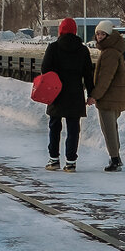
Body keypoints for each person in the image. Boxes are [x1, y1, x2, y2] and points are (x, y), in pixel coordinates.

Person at [41, 17, 94, 172]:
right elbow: (88, 75)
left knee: (54, 126)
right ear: (75, 30)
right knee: (73, 128)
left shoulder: (53, 48)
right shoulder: (83, 50)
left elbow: (45, 69)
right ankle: (70, 162)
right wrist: (91, 93)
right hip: (75, 94)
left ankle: (54, 160)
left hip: (56, 92)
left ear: (61, 30)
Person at [87, 20, 125, 172]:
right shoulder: (113, 50)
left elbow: (105, 78)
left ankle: (115, 159)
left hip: (109, 96)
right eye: (97, 33)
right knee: (112, 127)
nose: (99, 37)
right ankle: (116, 157)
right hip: (115, 95)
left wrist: (95, 95)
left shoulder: (110, 53)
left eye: (102, 34)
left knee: (109, 129)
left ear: (109, 35)